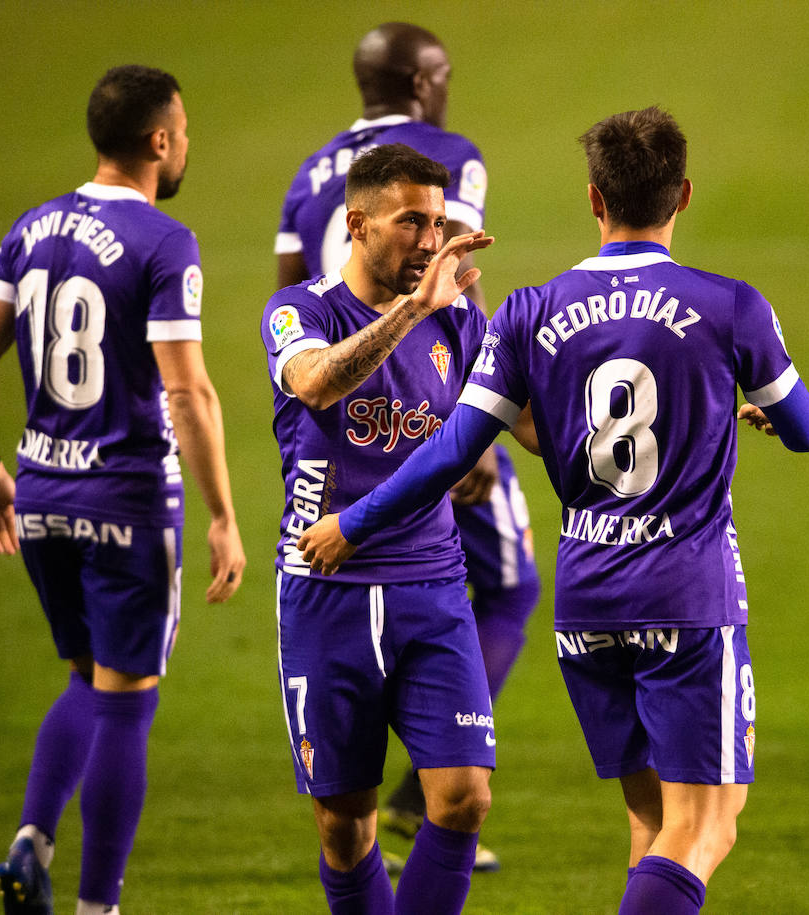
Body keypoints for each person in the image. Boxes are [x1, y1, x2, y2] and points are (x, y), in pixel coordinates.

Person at [296, 106, 809, 915]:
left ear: (592, 198)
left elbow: (448, 452)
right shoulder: (730, 306)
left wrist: (354, 520)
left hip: (587, 602)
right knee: (709, 825)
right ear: (683, 194)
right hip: (688, 594)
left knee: (650, 819)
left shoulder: (529, 311)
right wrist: (750, 410)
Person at [0, 65, 246, 915]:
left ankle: (30, 839)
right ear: (160, 141)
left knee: (86, 678)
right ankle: (98, 906)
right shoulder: (163, 242)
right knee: (126, 702)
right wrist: (224, 516)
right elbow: (187, 392)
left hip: (41, 495)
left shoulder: (32, 227)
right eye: (182, 130)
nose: (186, 143)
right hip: (126, 500)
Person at [274, 22, 539, 870]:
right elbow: (309, 372)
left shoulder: (308, 175)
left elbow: (526, 413)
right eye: (412, 223)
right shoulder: (305, 316)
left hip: (426, 575)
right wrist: (418, 312)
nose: (432, 240)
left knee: (462, 796)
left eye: (440, 226)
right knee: (341, 828)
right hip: (327, 575)